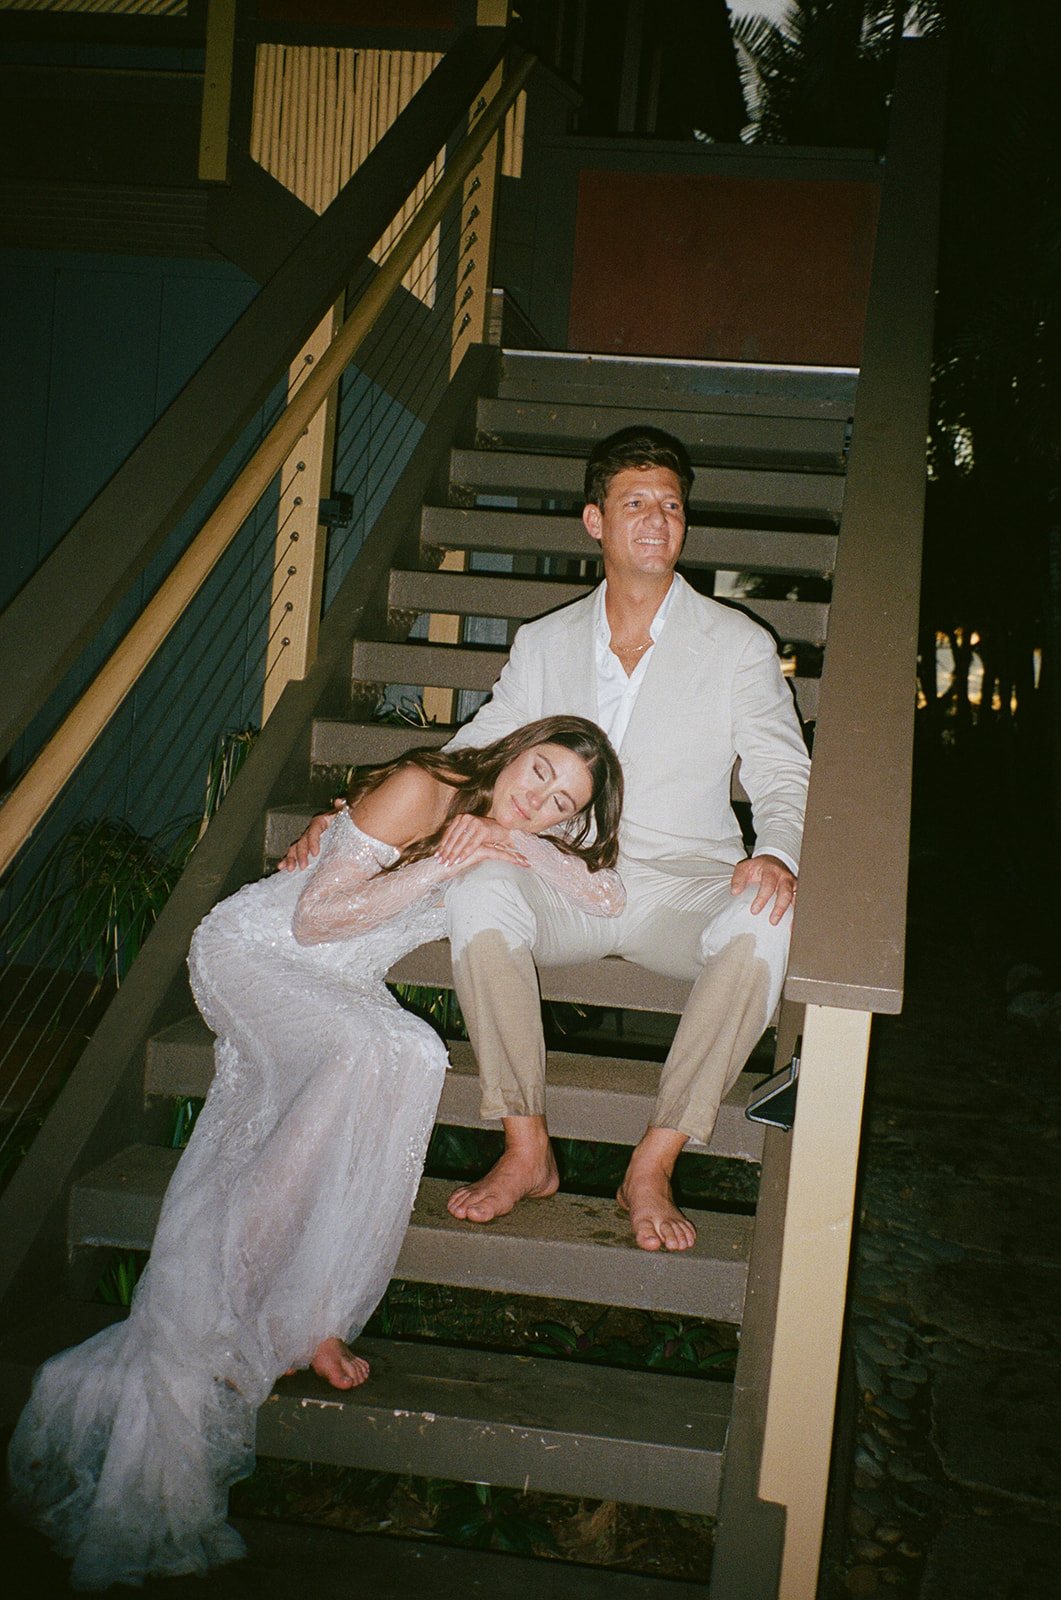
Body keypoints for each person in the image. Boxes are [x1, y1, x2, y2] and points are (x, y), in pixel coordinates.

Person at [7, 717, 624, 1591]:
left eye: (564, 801)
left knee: (406, 1049)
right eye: (538, 771)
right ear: (512, 749)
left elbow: (604, 899)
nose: (540, 798)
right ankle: (233, 1298)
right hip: (257, 951)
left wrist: (526, 839)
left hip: (338, 981)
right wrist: (451, 856)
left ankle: (310, 1313)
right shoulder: (426, 786)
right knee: (375, 1048)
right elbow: (314, 917)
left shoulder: (513, 827)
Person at [288, 425, 811, 1256]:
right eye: (633, 502)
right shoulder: (544, 643)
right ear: (594, 522)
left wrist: (775, 852)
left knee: (766, 918)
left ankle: (654, 1158)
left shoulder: (738, 645)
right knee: (480, 883)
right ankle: (526, 1147)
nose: (655, 520)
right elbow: (476, 754)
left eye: (670, 506)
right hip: (562, 878)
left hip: (684, 882)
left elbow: (785, 775)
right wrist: (359, 815)